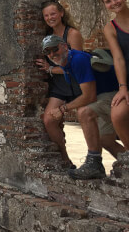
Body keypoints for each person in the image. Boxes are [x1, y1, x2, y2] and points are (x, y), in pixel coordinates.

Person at [43, 35, 124, 179]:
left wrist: (62, 109)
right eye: (47, 52)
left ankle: (94, 163)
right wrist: (49, 68)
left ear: (65, 47)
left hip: (112, 95)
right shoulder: (66, 63)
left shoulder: (78, 60)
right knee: (105, 140)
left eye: (55, 49)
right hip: (103, 97)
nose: (52, 54)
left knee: (84, 112)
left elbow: (89, 96)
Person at [34, 0, 84, 167]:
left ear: (61, 13)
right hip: (60, 86)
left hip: (77, 83)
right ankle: (65, 158)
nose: (50, 18)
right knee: (49, 120)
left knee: (87, 118)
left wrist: (50, 69)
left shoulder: (72, 35)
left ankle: (94, 159)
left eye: (53, 14)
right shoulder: (46, 36)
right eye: (46, 15)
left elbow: (77, 67)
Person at [102, 0, 129, 152]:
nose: (114, 3)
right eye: (108, 1)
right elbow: (118, 58)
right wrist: (123, 87)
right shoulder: (110, 28)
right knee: (117, 116)